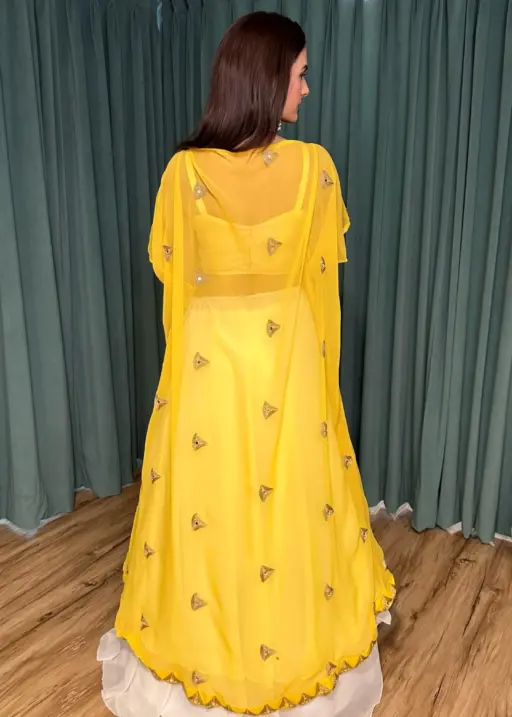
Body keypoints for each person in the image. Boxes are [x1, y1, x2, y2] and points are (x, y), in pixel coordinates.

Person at [98, 11, 395, 717]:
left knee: (213, 501)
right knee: (288, 499)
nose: (307, 89)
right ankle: (287, 639)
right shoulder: (315, 170)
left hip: (210, 369)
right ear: (265, 80)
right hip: (287, 363)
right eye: (300, 75)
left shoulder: (184, 174)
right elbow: (318, 282)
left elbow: (174, 277)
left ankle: (211, 640)